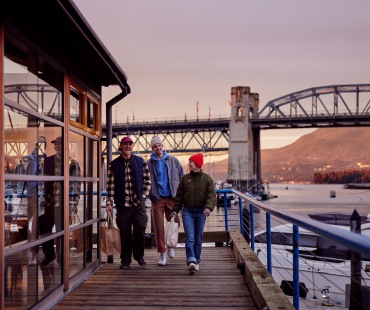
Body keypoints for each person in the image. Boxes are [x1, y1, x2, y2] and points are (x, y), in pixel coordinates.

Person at [106, 136, 151, 269]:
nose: (128, 146)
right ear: (120, 146)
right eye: (125, 144)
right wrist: (109, 203)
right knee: (124, 233)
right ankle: (125, 260)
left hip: (138, 204)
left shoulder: (141, 161)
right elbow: (110, 186)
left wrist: (143, 197)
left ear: (132, 147)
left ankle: (139, 256)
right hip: (122, 205)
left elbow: (148, 182)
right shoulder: (113, 165)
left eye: (130, 144)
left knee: (140, 231)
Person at [172, 153, 216, 274]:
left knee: (198, 238)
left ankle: (196, 261)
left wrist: (208, 208)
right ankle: (191, 260)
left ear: (197, 164)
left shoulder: (207, 179)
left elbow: (211, 196)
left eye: (190, 162)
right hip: (187, 211)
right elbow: (179, 196)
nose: (188, 164)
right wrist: (175, 210)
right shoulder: (185, 179)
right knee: (190, 237)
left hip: (201, 211)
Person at [40, 136, 81, 267]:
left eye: (59, 144)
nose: (57, 146)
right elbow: (41, 182)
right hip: (48, 203)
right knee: (44, 230)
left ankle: (61, 259)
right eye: (55, 144)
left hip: (63, 204)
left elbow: (76, 185)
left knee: (61, 232)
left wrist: (74, 203)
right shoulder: (46, 161)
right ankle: (49, 255)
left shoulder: (73, 164)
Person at [147, 136, 183, 266]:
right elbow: (146, 180)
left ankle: (171, 245)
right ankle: (162, 253)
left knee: (175, 223)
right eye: (155, 146)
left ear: (163, 146)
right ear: (152, 148)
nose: (158, 148)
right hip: (157, 198)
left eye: (160, 145)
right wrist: (150, 194)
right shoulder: (148, 164)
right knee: (158, 227)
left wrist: (180, 193)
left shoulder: (173, 160)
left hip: (172, 197)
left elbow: (181, 176)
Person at [26, 136, 47, 265]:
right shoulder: (27, 159)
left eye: (42, 145)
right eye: (38, 144)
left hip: (40, 196)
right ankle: (32, 251)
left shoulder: (46, 159)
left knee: (35, 225)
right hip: (29, 195)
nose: (39, 147)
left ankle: (33, 253)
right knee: (27, 225)